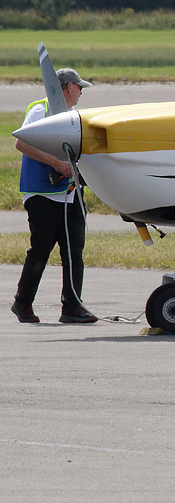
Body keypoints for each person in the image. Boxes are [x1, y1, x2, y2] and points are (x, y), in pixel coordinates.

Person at [11, 68, 96, 324]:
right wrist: (56, 164)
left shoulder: (72, 116)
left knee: (73, 251)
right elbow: (21, 142)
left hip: (69, 195)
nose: (81, 92)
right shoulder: (41, 110)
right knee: (41, 250)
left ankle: (72, 306)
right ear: (69, 87)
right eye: (79, 87)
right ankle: (22, 303)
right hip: (43, 194)